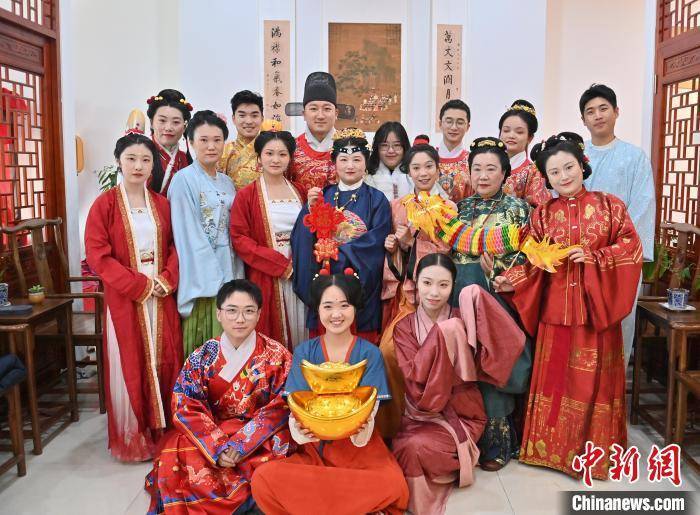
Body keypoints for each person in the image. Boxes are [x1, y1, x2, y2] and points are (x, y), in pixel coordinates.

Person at [494, 132, 643, 480]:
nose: (563, 176)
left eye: (569, 167)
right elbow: (532, 260)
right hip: (555, 311)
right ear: (546, 178)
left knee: (592, 383)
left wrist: (594, 257)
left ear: (582, 165)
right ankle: (550, 451)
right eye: (554, 171)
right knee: (557, 380)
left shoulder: (610, 206)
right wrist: (512, 279)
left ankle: (594, 455)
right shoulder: (543, 215)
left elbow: (631, 248)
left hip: (596, 310)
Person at [250, 272, 409, 515]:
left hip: (361, 451)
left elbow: (369, 411)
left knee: (393, 485)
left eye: (344, 305)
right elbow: (297, 404)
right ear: (318, 309)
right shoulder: (304, 352)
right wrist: (299, 430)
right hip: (316, 451)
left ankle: (320, 506)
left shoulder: (370, 353)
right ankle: (350, 506)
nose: (336, 314)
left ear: (355, 308)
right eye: (328, 306)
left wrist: (359, 430)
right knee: (264, 479)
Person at [381, 254, 525, 514]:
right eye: (427, 283)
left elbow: (507, 344)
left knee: (414, 449)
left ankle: (458, 459)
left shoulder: (463, 320)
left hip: (463, 413)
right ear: (416, 283)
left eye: (443, 285)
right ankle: (444, 465)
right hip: (421, 413)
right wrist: (445, 334)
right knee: (403, 447)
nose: (434, 293)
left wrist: (479, 300)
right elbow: (415, 381)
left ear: (453, 286)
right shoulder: (404, 328)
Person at [146, 280, 293, 514]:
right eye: (232, 311)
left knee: (278, 452)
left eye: (248, 311)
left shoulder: (277, 355)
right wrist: (217, 446)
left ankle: (245, 499)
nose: (240, 319)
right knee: (177, 449)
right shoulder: (202, 356)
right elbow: (186, 404)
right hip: (213, 431)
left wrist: (241, 444)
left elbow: (282, 405)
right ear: (219, 314)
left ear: (259, 314)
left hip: (257, 434)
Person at [85, 132, 182, 461]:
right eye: (131, 159)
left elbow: (175, 246)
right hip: (125, 297)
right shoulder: (105, 205)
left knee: (164, 358)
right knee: (130, 360)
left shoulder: (162, 204)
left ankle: (165, 431)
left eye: (145, 160)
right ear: (118, 162)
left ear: (153, 165)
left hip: (161, 294)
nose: (138, 166)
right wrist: (137, 285)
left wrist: (167, 278)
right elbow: (98, 256)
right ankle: (135, 436)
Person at [451, 137, 532, 471]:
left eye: (490, 169)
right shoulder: (458, 209)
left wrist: (497, 271)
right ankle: (464, 439)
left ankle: (499, 443)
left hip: (500, 299)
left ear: (504, 172)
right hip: (459, 296)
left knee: (494, 365)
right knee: (464, 368)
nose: (483, 176)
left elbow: (529, 255)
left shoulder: (519, 209)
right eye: (477, 169)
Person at [292, 128, 391, 343]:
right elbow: (302, 239)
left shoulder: (377, 200)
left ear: (366, 162)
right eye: (343, 160)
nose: (350, 166)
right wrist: (310, 209)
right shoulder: (323, 195)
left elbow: (375, 245)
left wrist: (335, 253)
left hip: (359, 285)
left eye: (357, 159)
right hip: (324, 280)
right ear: (334, 163)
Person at [580, 83, 655, 366]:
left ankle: (614, 389)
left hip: (619, 258)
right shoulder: (575, 156)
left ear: (616, 112)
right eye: (590, 111)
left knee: (617, 326)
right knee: (580, 325)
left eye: (603, 108)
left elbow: (643, 206)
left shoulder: (634, 157)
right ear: (583, 120)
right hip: (579, 256)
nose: (598, 115)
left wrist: (616, 250)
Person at [168, 110, 244, 357]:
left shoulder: (226, 182)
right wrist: (212, 275)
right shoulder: (183, 180)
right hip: (202, 275)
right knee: (208, 343)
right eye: (203, 140)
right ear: (190, 142)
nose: (211, 146)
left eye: (217, 140)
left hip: (230, 264)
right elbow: (186, 233)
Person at [230, 130, 307, 349]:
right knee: (271, 331)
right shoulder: (246, 195)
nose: (275, 160)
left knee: (303, 325)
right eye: (269, 153)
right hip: (266, 272)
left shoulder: (300, 191)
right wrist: (280, 265)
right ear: (259, 157)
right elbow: (240, 239)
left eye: (282, 154)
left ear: (290, 158)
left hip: (300, 269)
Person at [382, 142, 454, 327]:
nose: (423, 173)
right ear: (409, 172)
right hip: (404, 289)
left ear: (438, 170)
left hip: (435, 289)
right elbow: (393, 253)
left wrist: (410, 242)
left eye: (429, 166)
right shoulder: (397, 206)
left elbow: (446, 251)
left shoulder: (448, 208)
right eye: (416, 168)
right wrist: (393, 248)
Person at [287, 72, 338, 193]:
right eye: (313, 109)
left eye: (327, 109)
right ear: (304, 114)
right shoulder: (291, 148)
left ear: (336, 113)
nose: (320, 116)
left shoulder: (349, 146)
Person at [499, 100, 550, 206]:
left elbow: (538, 208)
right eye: (506, 130)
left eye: (519, 132)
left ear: (530, 137)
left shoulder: (534, 172)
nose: (511, 135)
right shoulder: (488, 166)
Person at [146, 89, 193, 195]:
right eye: (162, 120)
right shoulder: (140, 156)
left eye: (176, 122)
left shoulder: (185, 159)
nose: (168, 128)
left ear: (184, 126)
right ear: (151, 123)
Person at [219, 89, 264, 189]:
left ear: (262, 118)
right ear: (234, 119)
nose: (248, 121)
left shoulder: (271, 150)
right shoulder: (223, 151)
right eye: (242, 115)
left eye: (254, 115)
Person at [436, 99, 473, 203]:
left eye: (460, 122)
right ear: (440, 124)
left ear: (467, 127)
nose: (454, 127)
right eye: (449, 121)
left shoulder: (473, 161)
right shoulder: (428, 158)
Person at [364, 121, 412, 201]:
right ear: (377, 148)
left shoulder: (414, 175)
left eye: (396, 145)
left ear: (404, 147)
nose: (391, 150)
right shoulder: (366, 176)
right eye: (384, 145)